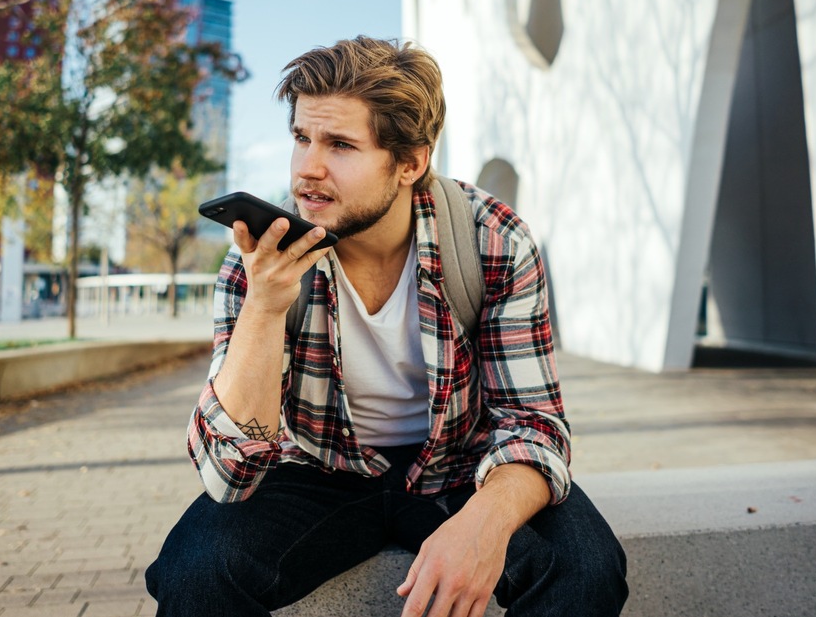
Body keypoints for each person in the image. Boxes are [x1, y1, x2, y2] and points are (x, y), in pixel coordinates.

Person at [146, 37, 627, 616]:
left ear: (411, 162)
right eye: (302, 137)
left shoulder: (490, 240)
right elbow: (230, 476)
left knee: (586, 569)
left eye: (341, 145)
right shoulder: (261, 260)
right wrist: (265, 309)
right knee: (194, 574)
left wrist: (484, 522)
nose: (307, 170)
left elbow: (532, 422)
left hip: (460, 466)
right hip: (320, 470)